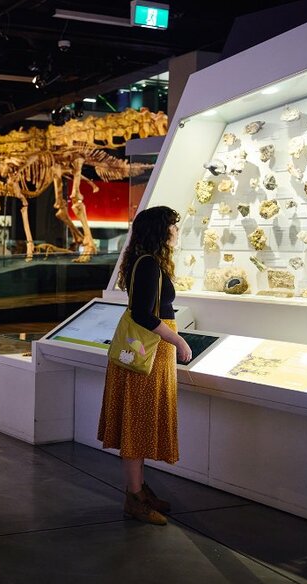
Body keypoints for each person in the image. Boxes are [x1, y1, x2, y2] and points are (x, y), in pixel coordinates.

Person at [97, 206, 192, 526]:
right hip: (146, 356)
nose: (176, 232)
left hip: (149, 354)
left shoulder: (146, 261)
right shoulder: (149, 263)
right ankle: (134, 498)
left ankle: (138, 490)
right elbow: (142, 314)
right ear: (160, 231)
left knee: (139, 422)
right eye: (173, 227)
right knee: (136, 425)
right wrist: (177, 341)